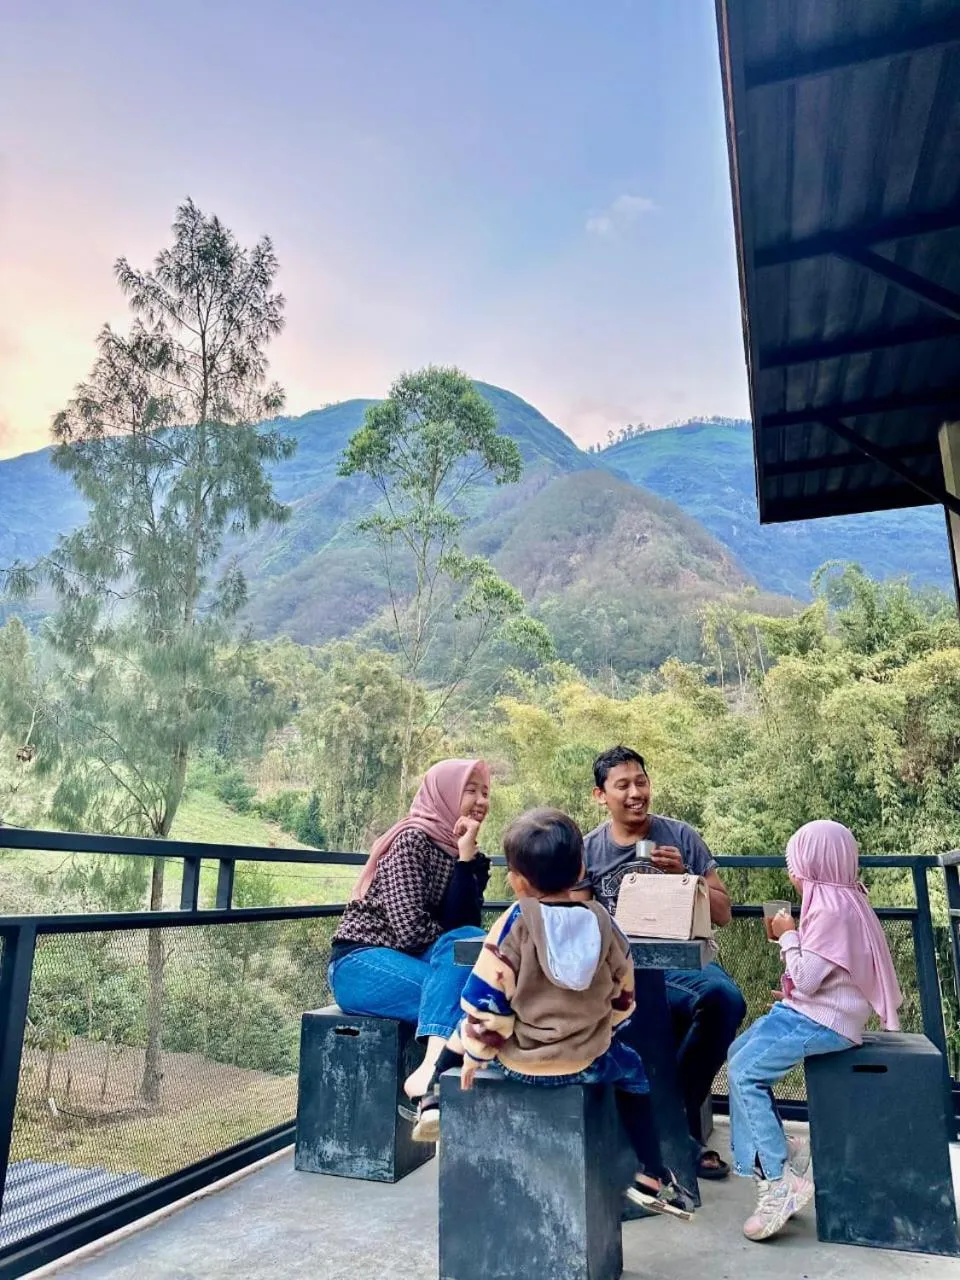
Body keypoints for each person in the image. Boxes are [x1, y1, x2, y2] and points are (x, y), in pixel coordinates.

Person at [414, 808, 695, 1220]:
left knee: (462, 1028)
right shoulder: (605, 923)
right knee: (633, 1070)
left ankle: (434, 1098)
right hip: (589, 1061)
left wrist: (474, 1058)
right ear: (581, 867)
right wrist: (602, 1031)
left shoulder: (514, 924)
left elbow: (487, 1003)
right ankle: (651, 1172)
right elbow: (625, 997)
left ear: (518, 881)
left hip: (522, 1062)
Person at [728, 819, 902, 1242]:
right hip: (816, 1011)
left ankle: (777, 1180)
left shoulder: (830, 909)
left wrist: (788, 937)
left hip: (822, 1019)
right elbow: (829, 977)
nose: (793, 874)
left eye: (796, 865)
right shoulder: (846, 900)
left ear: (815, 865)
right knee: (738, 1052)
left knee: (746, 1073)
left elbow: (807, 979)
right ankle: (783, 1149)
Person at [581, 745, 746, 1180]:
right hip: (621, 970)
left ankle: (672, 1116)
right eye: (622, 785)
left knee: (724, 999)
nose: (635, 793)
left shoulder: (680, 836)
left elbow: (724, 913)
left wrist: (683, 877)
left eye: (641, 782)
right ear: (601, 796)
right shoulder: (589, 850)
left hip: (682, 963)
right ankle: (675, 1135)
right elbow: (576, 917)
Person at [328, 757, 491, 1101]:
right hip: (361, 963)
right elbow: (410, 932)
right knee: (478, 1004)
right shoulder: (410, 841)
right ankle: (434, 1077)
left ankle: (432, 1087)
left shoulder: (465, 852)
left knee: (468, 944)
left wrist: (465, 861)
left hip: (415, 960)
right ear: (444, 794)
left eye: (485, 792)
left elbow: (464, 932)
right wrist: (449, 945)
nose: (480, 801)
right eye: (470, 791)